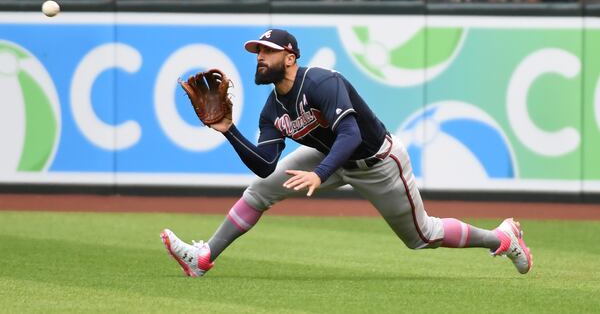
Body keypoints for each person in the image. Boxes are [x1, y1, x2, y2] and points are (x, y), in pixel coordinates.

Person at [160, 28, 533, 277]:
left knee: (422, 235)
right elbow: (264, 166)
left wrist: (321, 173)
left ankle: (501, 238)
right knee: (261, 191)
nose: (259, 57)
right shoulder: (271, 109)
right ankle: (205, 257)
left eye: (267, 52)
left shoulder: (321, 81)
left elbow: (351, 133)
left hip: (377, 161)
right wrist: (228, 130)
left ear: (290, 57)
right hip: (326, 157)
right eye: (256, 52)